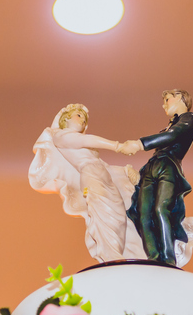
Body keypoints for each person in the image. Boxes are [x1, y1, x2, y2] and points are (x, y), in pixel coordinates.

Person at [29, 104, 142, 263]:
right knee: (104, 214)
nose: (83, 121)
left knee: (119, 217)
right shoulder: (61, 136)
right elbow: (87, 139)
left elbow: (104, 166)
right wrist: (118, 146)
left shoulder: (80, 144)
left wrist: (124, 172)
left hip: (103, 176)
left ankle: (120, 256)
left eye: (84, 118)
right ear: (66, 118)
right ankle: (112, 257)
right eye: (79, 115)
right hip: (92, 177)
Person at [118, 90, 193, 266]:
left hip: (167, 167)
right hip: (152, 167)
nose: (165, 105)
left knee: (161, 209)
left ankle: (168, 259)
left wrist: (139, 144)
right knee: (142, 213)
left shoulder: (189, 119)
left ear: (179, 98)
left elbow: (172, 136)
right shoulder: (169, 125)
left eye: (167, 100)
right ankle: (153, 257)